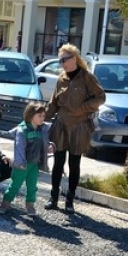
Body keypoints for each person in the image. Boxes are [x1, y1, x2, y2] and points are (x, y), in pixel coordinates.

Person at [43, 44, 106, 213]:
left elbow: (100, 97)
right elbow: (53, 103)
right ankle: (54, 197)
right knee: (57, 162)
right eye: (60, 60)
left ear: (74, 58)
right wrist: (41, 119)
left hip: (80, 126)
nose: (62, 63)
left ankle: (69, 200)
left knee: (74, 163)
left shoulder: (87, 77)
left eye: (64, 59)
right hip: (61, 125)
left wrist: (83, 108)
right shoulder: (60, 78)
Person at [0, 102, 53, 215]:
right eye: (40, 115)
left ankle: (30, 205)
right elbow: (19, 147)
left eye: (43, 116)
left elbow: (45, 143)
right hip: (22, 163)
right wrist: (20, 162)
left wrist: (50, 146)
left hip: (34, 164)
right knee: (15, 184)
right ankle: (6, 202)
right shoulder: (22, 130)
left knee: (32, 186)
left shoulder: (41, 129)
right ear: (30, 115)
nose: (42, 118)